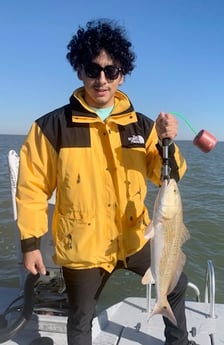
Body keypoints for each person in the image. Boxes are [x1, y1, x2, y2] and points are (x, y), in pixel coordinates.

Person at [16, 19, 197, 345]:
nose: (101, 79)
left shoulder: (141, 125)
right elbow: (31, 190)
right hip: (83, 247)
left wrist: (167, 142)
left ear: (122, 74)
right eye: (92, 69)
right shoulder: (50, 127)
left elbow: (169, 175)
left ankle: (179, 341)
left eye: (111, 71)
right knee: (81, 317)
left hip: (134, 237)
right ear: (79, 71)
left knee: (177, 283)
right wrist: (30, 245)